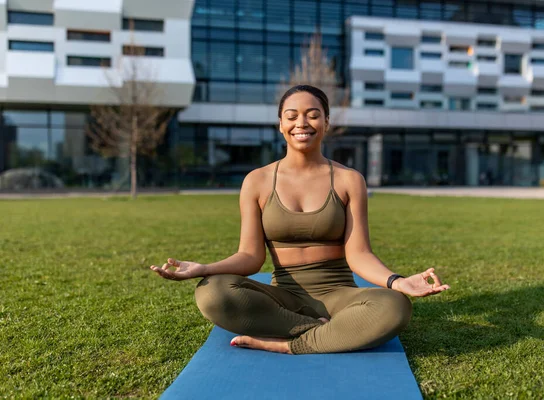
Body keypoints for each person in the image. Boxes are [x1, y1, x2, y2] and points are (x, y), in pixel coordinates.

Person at [150, 85, 450, 355]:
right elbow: (250, 257)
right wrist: (204, 268)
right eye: (292, 116)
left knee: (394, 306)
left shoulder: (349, 180)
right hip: (283, 298)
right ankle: (318, 329)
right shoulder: (257, 181)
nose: (302, 123)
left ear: (327, 122)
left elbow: (359, 254)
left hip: (339, 295)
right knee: (211, 292)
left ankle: (293, 343)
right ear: (280, 124)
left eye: (313, 115)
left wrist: (397, 282)